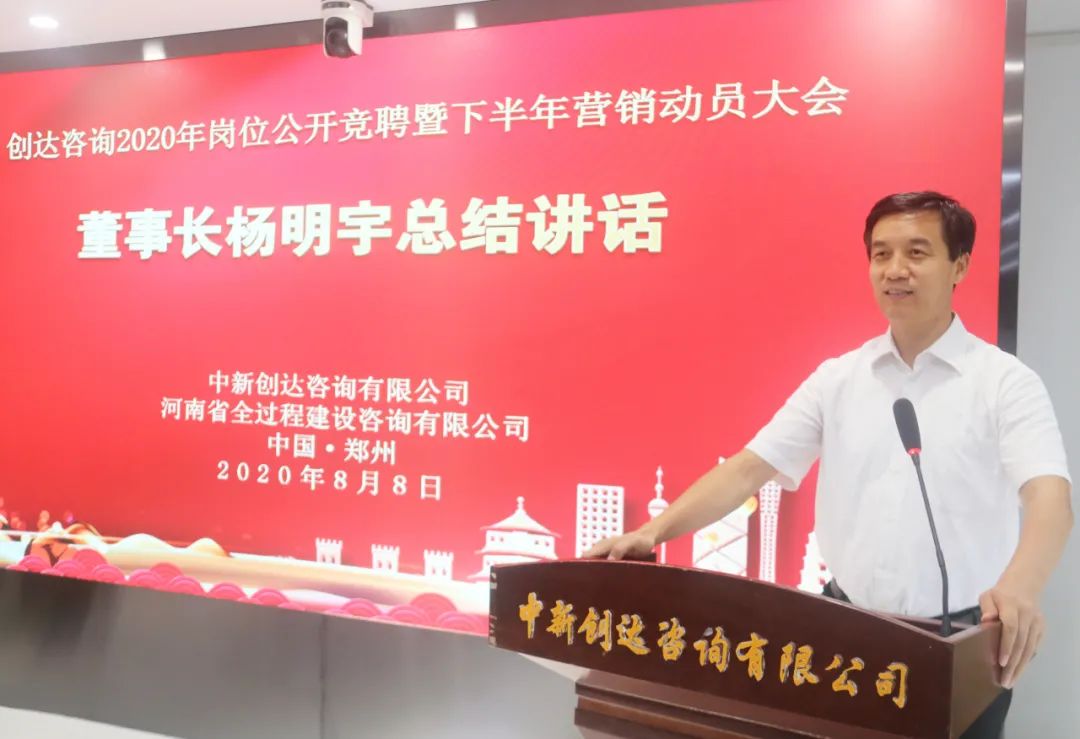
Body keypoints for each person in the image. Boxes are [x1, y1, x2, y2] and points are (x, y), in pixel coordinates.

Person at [585, 191, 1073, 739]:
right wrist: (653, 532)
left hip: (962, 642)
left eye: (917, 252)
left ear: (959, 266)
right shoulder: (839, 378)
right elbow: (748, 469)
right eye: (881, 254)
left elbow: (1049, 497)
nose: (895, 270)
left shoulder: (1005, 382)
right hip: (846, 632)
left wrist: (1020, 587)